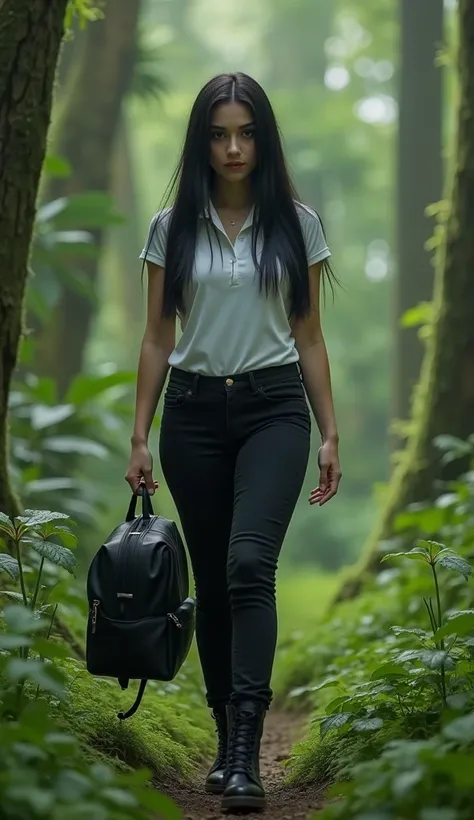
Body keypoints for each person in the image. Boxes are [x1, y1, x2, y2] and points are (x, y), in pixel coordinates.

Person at [125, 71, 341, 814]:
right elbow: (157, 338)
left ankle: (247, 755)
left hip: (275, 408)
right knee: (213, 582)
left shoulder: (297, 224)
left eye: (246, 132)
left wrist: (330, 432)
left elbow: (309, 335)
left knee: (250, 564)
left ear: (264, 137)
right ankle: (225, 743)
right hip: (189, 416)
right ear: (202, 141)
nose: (233, 146)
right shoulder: (170, 229)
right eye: (219, 133)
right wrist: (139, 435)